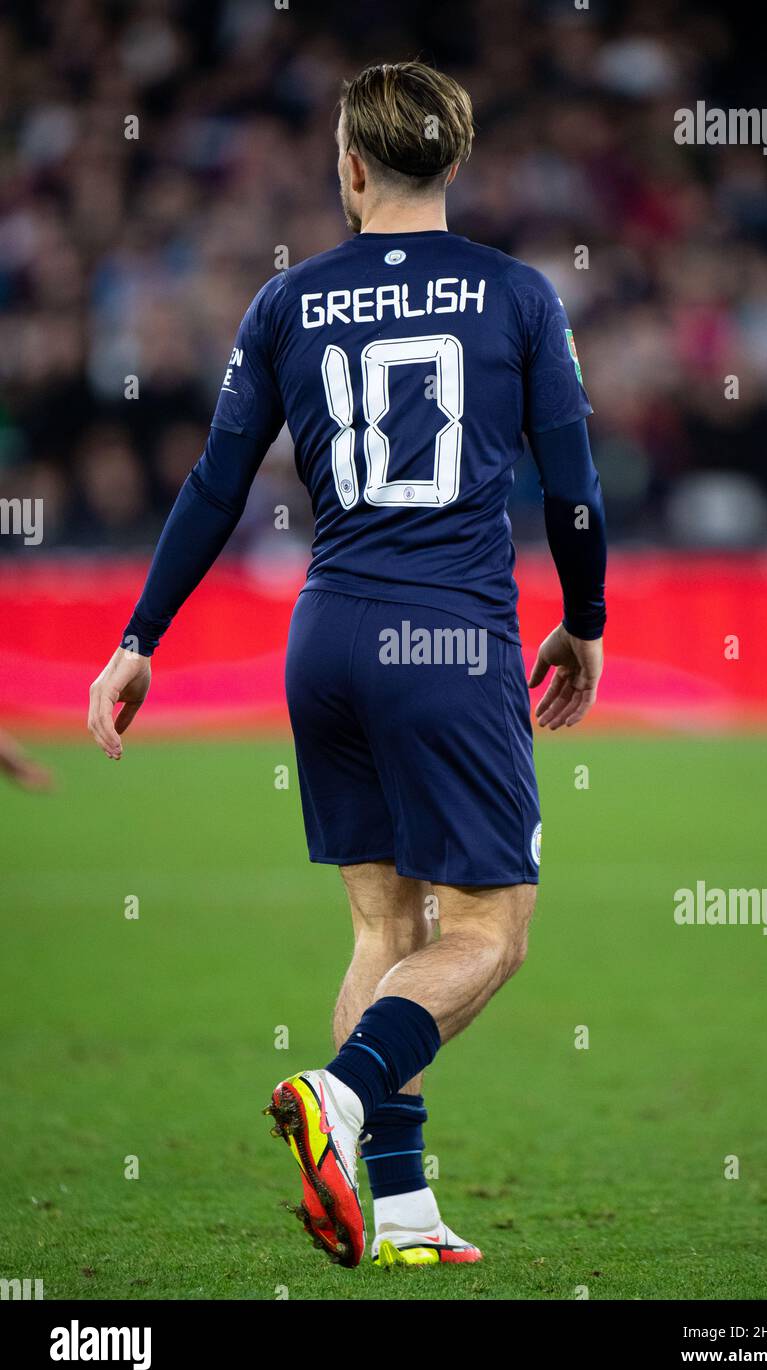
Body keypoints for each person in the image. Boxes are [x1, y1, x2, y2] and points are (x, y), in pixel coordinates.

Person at [87, 61, 606, 1270]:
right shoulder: (516, 297)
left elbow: (216, 484)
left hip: (324, 638)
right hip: (448, 637)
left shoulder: (285, 304)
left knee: (385, 923)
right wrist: (583, 619)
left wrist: (136, 639)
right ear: (451, 161)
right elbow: (574, 488)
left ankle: (406, 1212)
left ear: (352, 165)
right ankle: (342, 1091)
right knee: (490, 930)